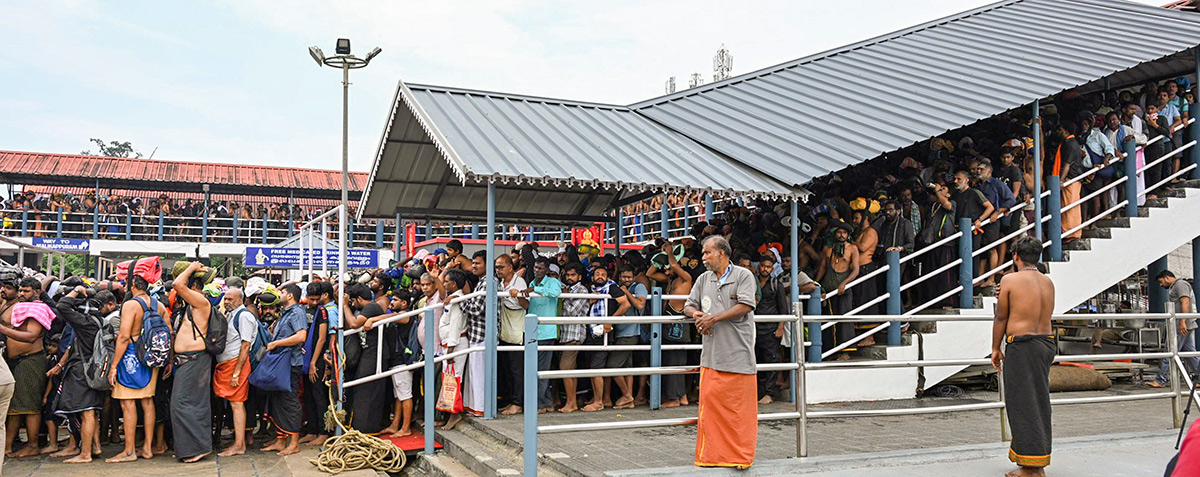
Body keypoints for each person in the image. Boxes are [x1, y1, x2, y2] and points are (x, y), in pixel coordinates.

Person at [684, 235, 758, 469]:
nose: (703, 258)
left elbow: (746, 305)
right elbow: (688, 305)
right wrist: (697, 315)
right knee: (711, 411)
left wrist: (713, 318)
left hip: (738, 354)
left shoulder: (744, 275)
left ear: (722, 253)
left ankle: (740, 457)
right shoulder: (703, 278)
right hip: (711, 356)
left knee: (739, 412)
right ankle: (714, 457)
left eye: (707, 253)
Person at [991, 236, 1056, 476]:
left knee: (1022, 403)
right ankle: (1031, 459)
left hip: (1023, 345)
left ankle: (1033, 469)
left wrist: (995, 347)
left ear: (1016, 256)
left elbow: (1001, 317)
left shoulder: (1009, 280)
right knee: (1038, 401)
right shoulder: (1048, 282)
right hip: (1045, 343)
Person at [52, 287, 117, 463]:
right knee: (92, 411)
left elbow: (63, 306)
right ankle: (95, 447)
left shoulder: (84, 323)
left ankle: (85, 453)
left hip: (82, 371)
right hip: (96, 371)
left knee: (86, 412)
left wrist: (76, 290)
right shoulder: (103, 322)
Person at [105, 275, 165, 463]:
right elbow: (168, 331)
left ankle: (129, 451)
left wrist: (114, 365)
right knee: (147, 402)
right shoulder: (159, 305)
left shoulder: (131, 305)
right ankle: (147, 448)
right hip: (151, 358)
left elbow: (123, 337)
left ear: (132, 285)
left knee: (127, 403)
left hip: (130, 355)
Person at [1, 275, 50, 459]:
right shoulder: (19, 307)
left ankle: (33, 445)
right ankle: (6, 447)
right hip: (16, 362)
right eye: (20, 290)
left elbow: (31, 336)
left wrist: (4, 330)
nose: (21, 294)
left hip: (30, 361)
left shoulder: (37, 309)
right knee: (16, 407)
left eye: (25, 291)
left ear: (37, 292)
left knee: (30, 406)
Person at [171, 261, 215, 463]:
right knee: (187, 404)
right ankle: (190, 447)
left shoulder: (200, 301)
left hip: (195, 360)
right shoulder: (192, 304)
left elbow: (178, 285)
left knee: (184, 404)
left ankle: (198, 447)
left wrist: (189, 270)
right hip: (188, 361)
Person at [260, 287, 306, 456]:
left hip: (290, 364)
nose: (279, 295)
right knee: (278, 402)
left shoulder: (297, 313)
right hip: (281, 364)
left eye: (282, 292)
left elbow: (301, 336)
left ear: (290, 295)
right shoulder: (286, 313)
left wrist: (277, 344)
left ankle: (293, 443)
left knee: (290, 402)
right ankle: (280, 441)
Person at [214, 288, 257, 457]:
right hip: (227, 365)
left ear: (240, 300)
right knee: (234, 403)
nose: (226, 302)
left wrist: (236, 373)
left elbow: (245, 346)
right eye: (225, 299)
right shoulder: (231, 314)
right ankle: (238, 442)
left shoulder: (244, 316)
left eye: (230, 299)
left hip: (235, 366)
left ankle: (239, 445)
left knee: (237, 403)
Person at [341, 283, 388, 434]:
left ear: (360, 299)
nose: (352, 305)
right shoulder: (364, 309)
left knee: (367, 391)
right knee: (361, 390)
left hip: (375, 354)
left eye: (353, 301)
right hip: (367, 353)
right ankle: (359, 427)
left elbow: (354, 323)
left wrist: (345, 306)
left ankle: (367, 429)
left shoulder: (371, 308)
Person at [517, 257, 561, 414]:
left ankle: (540, 405)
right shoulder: (532, 283)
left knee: (540, 370)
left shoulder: (552, 282)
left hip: (546, 332)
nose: (537, 270)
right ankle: (547, 403)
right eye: (535, 267)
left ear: (547, 269)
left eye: (540, 268)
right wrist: (521, 296)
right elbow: (529, 306)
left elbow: (556, 293)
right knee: (535, 369)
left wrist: (536, 290)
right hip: (533, 331)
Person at [1148, 270, 1197, 388]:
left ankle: (1161, 380)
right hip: (1185, 323)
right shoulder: (1178, 285)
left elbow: (1185, 301)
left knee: (1170, 350)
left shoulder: (1180, 285)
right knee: (1190, 353)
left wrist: (1182, 321)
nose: (1161, 285)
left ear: (1167, 278)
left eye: (1161, 282)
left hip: (1182, 324)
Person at [607, 266, 646, 410]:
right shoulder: (617, 286)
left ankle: (627, 395)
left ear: (634, 277)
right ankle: (629, 400)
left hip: (630, 334)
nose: (626, 280)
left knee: (612, 366)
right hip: (621, 333)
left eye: (629, 277)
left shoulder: (639, 287)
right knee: (627, 367)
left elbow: (640, 305)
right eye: (624, 277)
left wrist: (627, 293)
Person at [299, 281, 332, 447]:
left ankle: (323, 432)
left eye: (316, 299)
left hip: (316, 358)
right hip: (304, 357)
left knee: (319, 396)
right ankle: (311, 430)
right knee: (308, 396)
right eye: (310, 299)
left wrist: (313, 362)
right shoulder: (304, 310)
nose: (313, 302)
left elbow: (322, 338)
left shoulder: (322, 312)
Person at [555, 263, 590, 414]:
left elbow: (571, 312)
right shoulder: (566, 289)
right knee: (570, 370)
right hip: (565, 335)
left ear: (580, 277)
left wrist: (564, 295)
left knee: (565, 369)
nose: (569, 278)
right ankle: (572, 402)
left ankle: (571, 403)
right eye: (568, 275)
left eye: (573, 275)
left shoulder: (582, 290)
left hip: (574, 335)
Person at [496, 255, 528, 416]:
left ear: (510, 267)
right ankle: (510, 400)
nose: (498, 270)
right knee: (507, 368)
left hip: (517, 329)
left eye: (501, 267)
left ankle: (518, 403)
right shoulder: (501, 283)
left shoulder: (519, 282)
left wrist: (519, 295)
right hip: (505, 330)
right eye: (496, 267)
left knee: (517, 369)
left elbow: (526, 305)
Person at [438, 269, 470, 430]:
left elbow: (456, 325)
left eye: (446, 282)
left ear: (454, 284)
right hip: (449, 345)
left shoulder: (457, 300)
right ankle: (449, 412)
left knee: (454, 379)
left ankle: (455, 414)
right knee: (449, 379)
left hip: (455, 345)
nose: (443, 284)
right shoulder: (452, 299)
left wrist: (451, 349)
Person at [754, 254, 788, 404]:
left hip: (770, 329)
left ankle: (769, 394)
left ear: (772, 269)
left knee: (772, 360)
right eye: (763, 266)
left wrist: (780, 328)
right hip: (754, 328)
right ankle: (755, 393)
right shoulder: (752, 283)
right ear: (758, 266)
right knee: (754, 360)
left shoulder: (776, 285)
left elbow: (783, 309)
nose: (765, 269)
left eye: (768, 267)